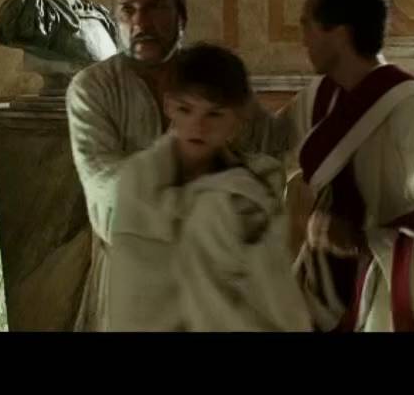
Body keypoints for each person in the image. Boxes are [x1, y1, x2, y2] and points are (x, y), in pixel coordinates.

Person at [261, 0, 414, 332]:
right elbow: (269, 150)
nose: (303, 39)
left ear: (340, 32)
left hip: (375, 299)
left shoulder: (408, 106)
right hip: (317, 291)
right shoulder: (319, 96)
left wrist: (362, 240)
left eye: (308, 25)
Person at [67, 0, 262, 330]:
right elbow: (102, 180)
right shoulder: (92, 88)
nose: (141, 22)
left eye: (155, 6)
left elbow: (266, 151)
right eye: (127, 10)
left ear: (181, 16)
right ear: (115, 21)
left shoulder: (214, 79)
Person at [108, 43, 311, 331]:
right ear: (169, 106)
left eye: (214, 114)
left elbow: (272, 291)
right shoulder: (140, 183)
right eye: (186, 109)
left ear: (239, 117)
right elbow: (133, 294)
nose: (198, 126)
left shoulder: (255, 187)